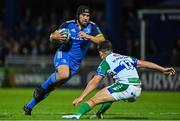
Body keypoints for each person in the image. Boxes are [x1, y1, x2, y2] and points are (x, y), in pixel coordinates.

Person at [23, 5, 105, 115]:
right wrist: (53, 37)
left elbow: (102, 40)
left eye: (88, 16)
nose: (86, 18)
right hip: (64, 54)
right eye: (83, 15)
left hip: (75, 64)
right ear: (78, 15)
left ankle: (29, 106)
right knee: (63, 74)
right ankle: (41, 88)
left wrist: (89, 36)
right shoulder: (68, 24)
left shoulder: (92, 27)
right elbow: (53, 35)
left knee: (51, 88)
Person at [62, 41, 176, 120]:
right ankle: (99, 114)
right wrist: (162, 69)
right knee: (110, 94)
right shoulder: (125, 57)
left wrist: (81, 97)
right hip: (137, 89)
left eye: (99, 52)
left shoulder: (106, 61)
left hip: (126, 86)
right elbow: (143, 63)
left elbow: (95, 81)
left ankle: (75, 116)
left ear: (101, 52)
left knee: (93, 100)